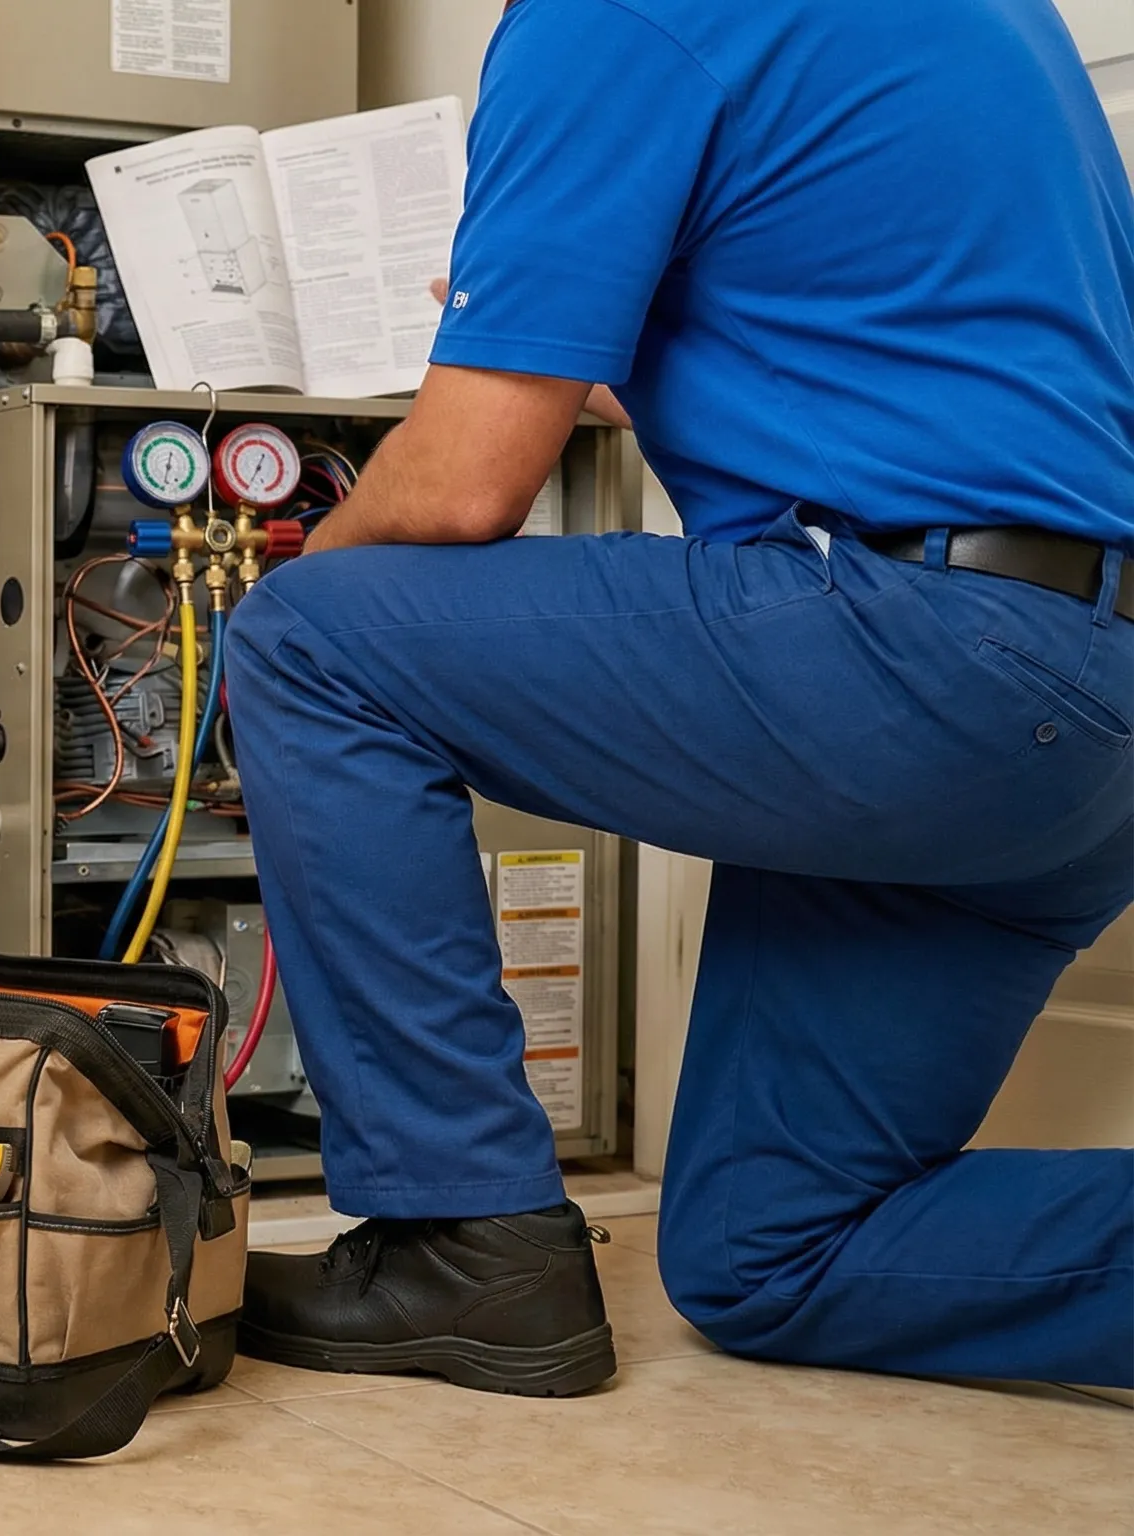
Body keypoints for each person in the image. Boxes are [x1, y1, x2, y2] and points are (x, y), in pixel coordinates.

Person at [224, 0, 1134, 1396]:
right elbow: (910, 333)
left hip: (934, 659)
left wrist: (280, 608)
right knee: (769, 1251)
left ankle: (463, 1241)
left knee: (305, 644)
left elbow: (468, 482)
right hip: (1080, 701)